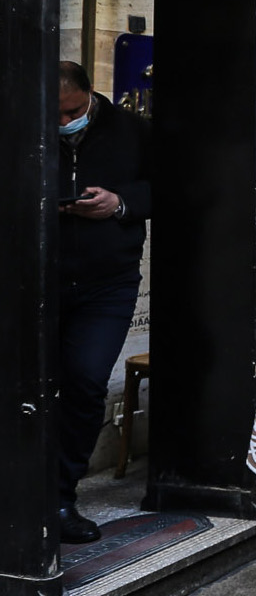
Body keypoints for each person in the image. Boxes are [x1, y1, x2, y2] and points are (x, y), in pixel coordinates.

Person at [53, 61, 150, 544]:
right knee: (31, 387)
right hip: (41, 279)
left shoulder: (131, 130)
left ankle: (60, 497)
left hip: (107, 283)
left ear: (90, 97)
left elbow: (170, 187)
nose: (63, 121)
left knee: (87, 382)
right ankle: (25, 493)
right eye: (55, 114)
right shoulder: (26, 126)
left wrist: (120, 204)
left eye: (71, 111)